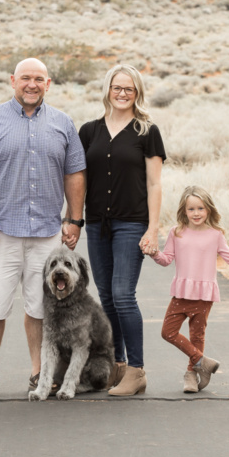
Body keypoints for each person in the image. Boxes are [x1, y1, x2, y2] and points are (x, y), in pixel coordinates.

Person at [0, 58, 86, 398]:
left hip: (47, 233)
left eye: (39, 79)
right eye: (25, 79)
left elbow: (74, 173)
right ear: (12, 81)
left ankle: (39, 372)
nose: (31, 85)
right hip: (0, 232)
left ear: (48, 84)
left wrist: (74, 219)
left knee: (42, 306)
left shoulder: (63, 123)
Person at [79, 64, 165, 396]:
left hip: (131, 223)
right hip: (98, 224)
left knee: (123, 295)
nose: (123, 93)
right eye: (117, 87)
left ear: (137, 93)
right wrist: (74, 219)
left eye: (129, 89)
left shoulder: (147, 131)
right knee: (106, 297)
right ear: (108, 89)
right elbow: (79, 180)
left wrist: (153, 228)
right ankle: (117, 364)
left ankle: (137, 370)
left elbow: (155, 183)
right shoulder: (89, 131)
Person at [147, 186, 229, 393]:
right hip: (181, 293)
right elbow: (166, 260)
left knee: (197, 336)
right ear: (184, 211)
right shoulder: (176, 233)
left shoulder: (215, 234)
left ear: (208, 209)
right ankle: (203, 361)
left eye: (200, 208)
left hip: (204, 296)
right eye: (191, 209)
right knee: (168, 332)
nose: (196, 213)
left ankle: (191, 374)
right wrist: (154, 253)